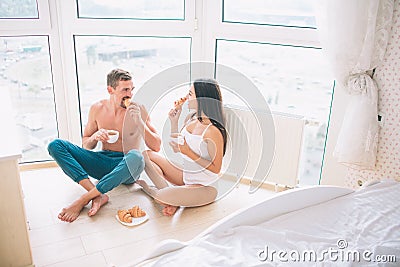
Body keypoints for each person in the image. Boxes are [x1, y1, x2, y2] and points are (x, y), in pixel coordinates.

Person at [47, 68, 161, 223]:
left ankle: (84, 198)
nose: (130, 94)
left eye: (131, 89)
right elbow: (86, 144)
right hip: (102, 162)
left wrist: (140, 122)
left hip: (127, 166)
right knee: (56, 145)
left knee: (137, 156)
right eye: (125, 90)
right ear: (110, 90)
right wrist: (95, 137)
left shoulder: (138, 109)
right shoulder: (97, 109)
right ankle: (99, 195)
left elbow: (156, 146)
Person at [138, 78, 227, 216]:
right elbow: (177, 147)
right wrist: (174, 121)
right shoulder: (191, 118)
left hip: (206, 187)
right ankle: (174, 198)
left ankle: (155, 191)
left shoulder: (212, 131)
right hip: (187, 175)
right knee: (145, 155)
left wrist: (188, 152)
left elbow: (216, 169)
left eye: (190, 94)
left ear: (201, 99)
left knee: (161, 196)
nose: (186, 97)